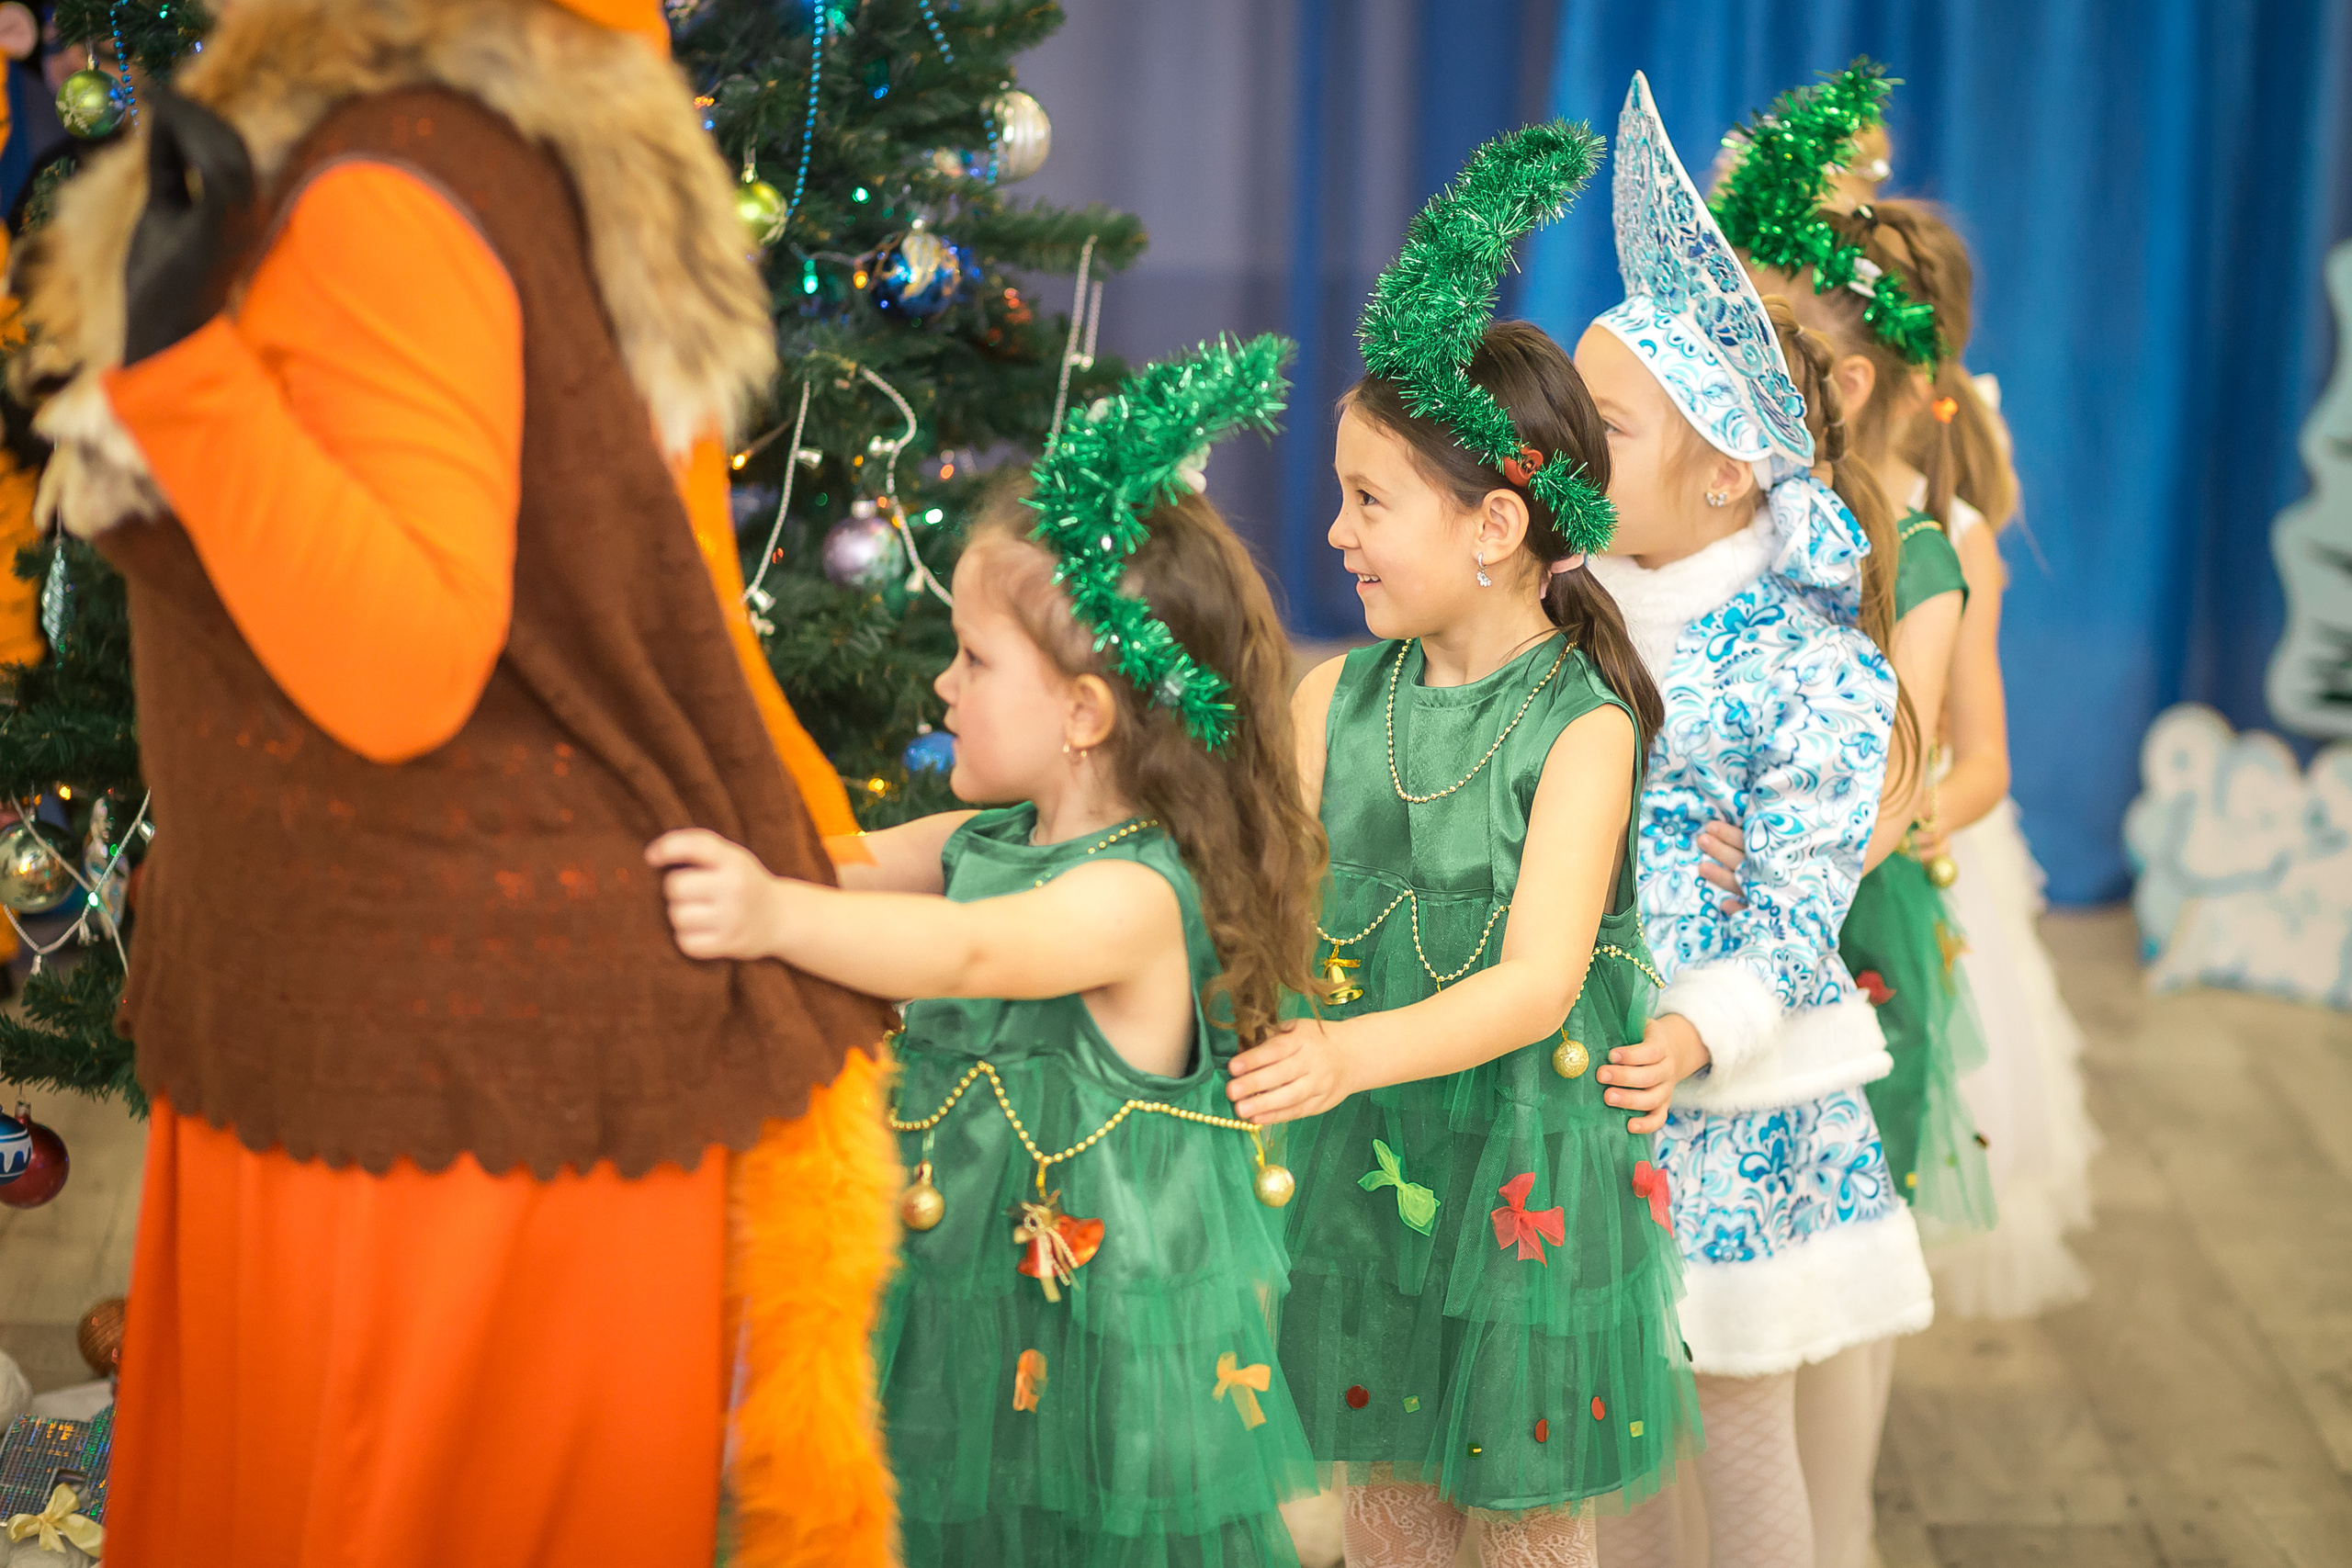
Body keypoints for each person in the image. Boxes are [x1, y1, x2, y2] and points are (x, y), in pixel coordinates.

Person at [6, 2, 901, 1563]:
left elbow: (403, 662)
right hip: (429, 1050)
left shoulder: (387, 178)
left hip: (454, 1101)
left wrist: (187, 373)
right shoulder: (454, 149)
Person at [653, 335, 1329, 1568]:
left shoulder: (1130, 896)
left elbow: (964, 954)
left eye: (974, 661)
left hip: (1098, 1385)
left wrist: (765, 919)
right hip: (959, 1323)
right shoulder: (988, 835)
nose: (941, 688)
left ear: (1084, 713)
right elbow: (837, 860)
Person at [1224, 124, 1701, 1568]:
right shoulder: (1333, 694)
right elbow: (1261, 893)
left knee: (1517, 1515)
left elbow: (1540, 982)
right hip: (1370, 1151)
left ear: (1497, 524)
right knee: (1385, 1491)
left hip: (1519, 1162)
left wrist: (1343, 1056)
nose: (1335, 532)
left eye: (1370, 500)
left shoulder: (1584, 728)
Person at [1576, 73, 1932, 1568]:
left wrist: (1700, 1014)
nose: (1566, 458)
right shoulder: (1571, 613)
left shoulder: (1813, 667)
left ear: (1726, 470)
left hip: (1726, 1102)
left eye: (1602, 428)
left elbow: (1790, 913)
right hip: (1583, 1067)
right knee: (1598, 1420)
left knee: (1737, 1436)